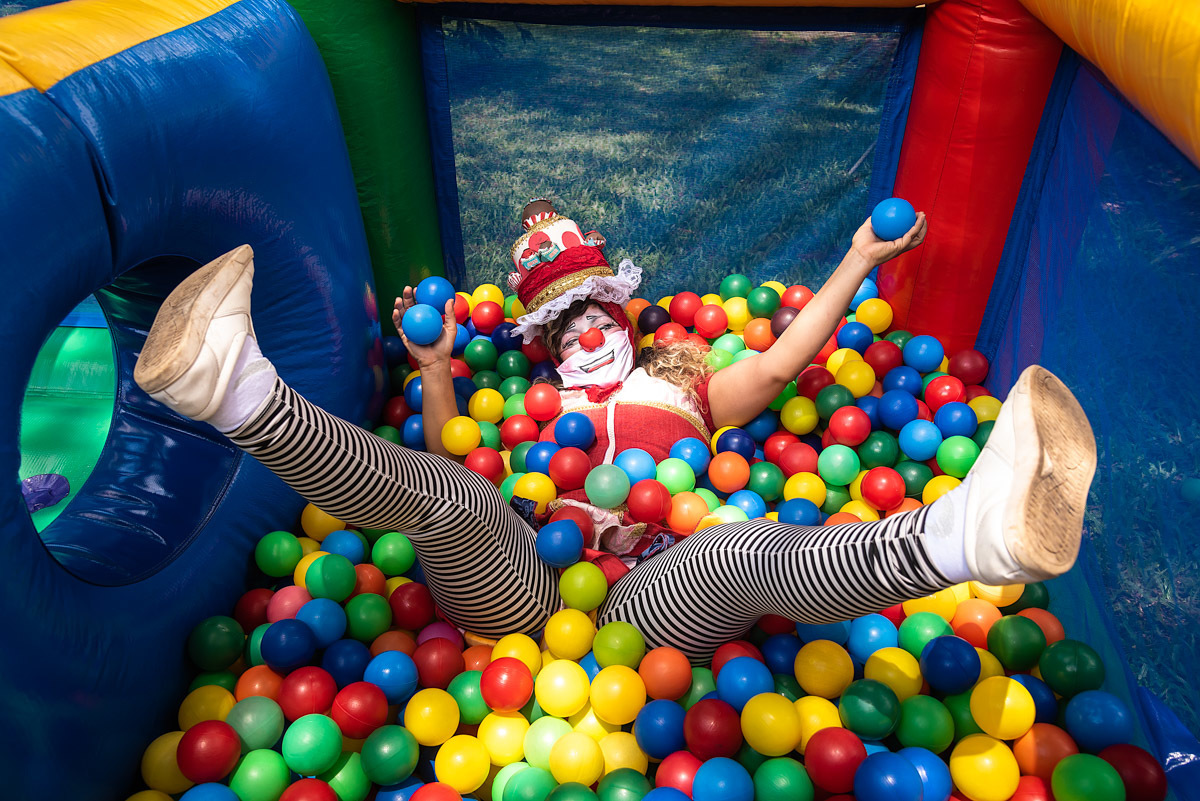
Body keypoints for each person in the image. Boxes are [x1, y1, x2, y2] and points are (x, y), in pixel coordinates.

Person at [132, 202, 1097, 661]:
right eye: (560, 324)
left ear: (625, 322)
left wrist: (854, 259)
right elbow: (435, 461)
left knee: (739, 551)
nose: (582, 330)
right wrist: (432, 373)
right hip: (517, 595)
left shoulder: (684, 385)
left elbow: (780, 362)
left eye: (594, 313)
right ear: (540, 346)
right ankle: (237, 392)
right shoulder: (526, 413)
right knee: (451, 498)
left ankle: (974, 533)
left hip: (647, 605)